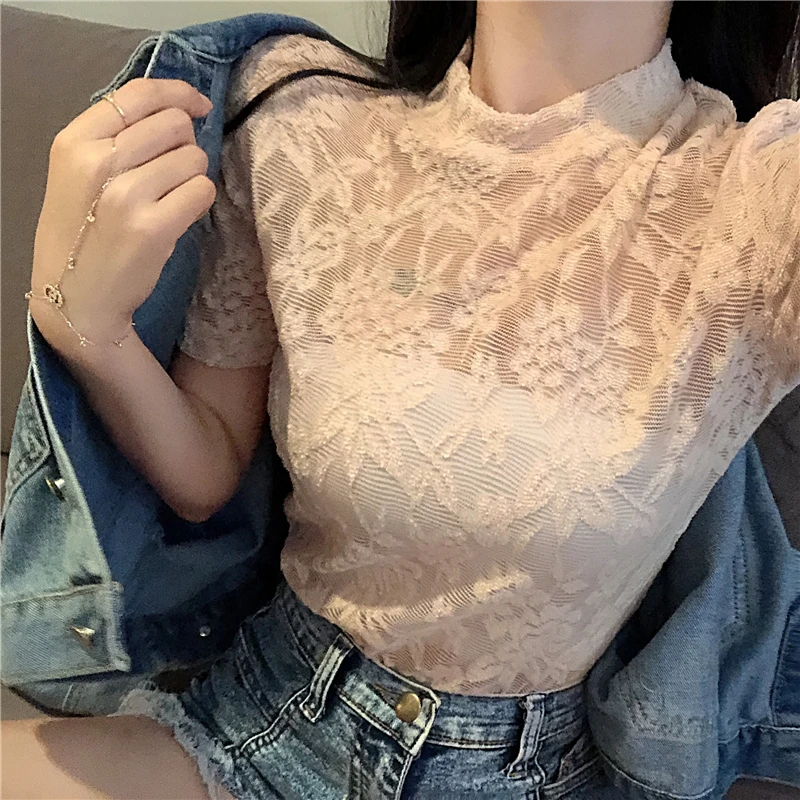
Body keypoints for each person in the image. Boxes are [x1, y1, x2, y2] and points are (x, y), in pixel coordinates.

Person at [3, 1, 798, 798]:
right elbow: (208, 464)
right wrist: (87, 331)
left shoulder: (756, 197)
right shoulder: (298, 111)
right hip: (262, 717)